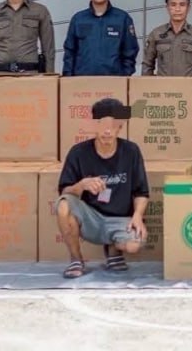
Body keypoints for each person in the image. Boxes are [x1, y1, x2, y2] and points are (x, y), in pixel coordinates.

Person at [56, 97, 149, 278]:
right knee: (63, 205)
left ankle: (114, 251)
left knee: (134, 244)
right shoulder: (78, 152)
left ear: (120, 127)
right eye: (102, 124)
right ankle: (76, 259)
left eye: (113, 125)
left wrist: (138, 216)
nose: (107, 131)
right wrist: (81, 185)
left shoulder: (131, 151)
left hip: (120, 218)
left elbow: (141, 192)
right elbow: (64, 192)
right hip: (91, 219)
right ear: (94, 125)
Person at [142, 0, 192, 114]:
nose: (177, 9)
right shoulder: (156, 34)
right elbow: (147, 64)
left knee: (188, 127)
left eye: (182, 5)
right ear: (167, 7)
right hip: (161, 94)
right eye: (173, 5)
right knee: (162, 126)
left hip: (189, 92)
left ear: (189, 8)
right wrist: (146, 90)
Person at [63, 0, 139, 76]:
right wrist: (68, 76)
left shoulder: (122, 18)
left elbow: (130, 50)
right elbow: (69, 50)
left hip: (114, 79)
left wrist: (125, 75)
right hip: (82, 79)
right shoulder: (78, 19)